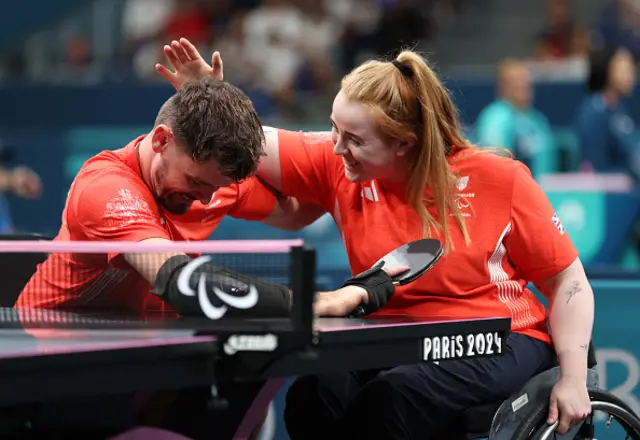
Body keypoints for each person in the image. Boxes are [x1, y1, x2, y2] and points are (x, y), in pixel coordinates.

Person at [157, 38, 595, 439]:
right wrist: (207, 97)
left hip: (499, 336)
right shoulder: (340, 164)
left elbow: (569, 282)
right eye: (334, 129)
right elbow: (249, 142)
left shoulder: (499, 179)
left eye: (354, 140)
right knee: (314, 394)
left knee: (393, 399)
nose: (335, 148)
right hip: (397, 338)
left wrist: (573, 379)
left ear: (402, 144)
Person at [14, 77, 398, 439]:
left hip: (138, 359)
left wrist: (347, 160)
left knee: (241, 396)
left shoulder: (210, 183)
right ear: (162, 140)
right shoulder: (106, 188)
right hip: (49, 370)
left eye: (213, 189)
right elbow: (183, 282)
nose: (203, 199)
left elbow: (296, 210)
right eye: (197, 183)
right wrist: (317, 303)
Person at [475, 58, 557, 178]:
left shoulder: (537, 118)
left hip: (545, 189)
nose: (523, 85)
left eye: (526, 81)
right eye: (517, 81)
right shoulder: (496, 118)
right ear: (504, 86)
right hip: (515, 189)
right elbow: (495, 160)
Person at [574, 45, 639, 179]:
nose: (631, 74)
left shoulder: (621, 110)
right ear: (608, 69)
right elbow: (593, 169)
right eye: (625, 68)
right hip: (611, 195)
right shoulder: (593, 113)